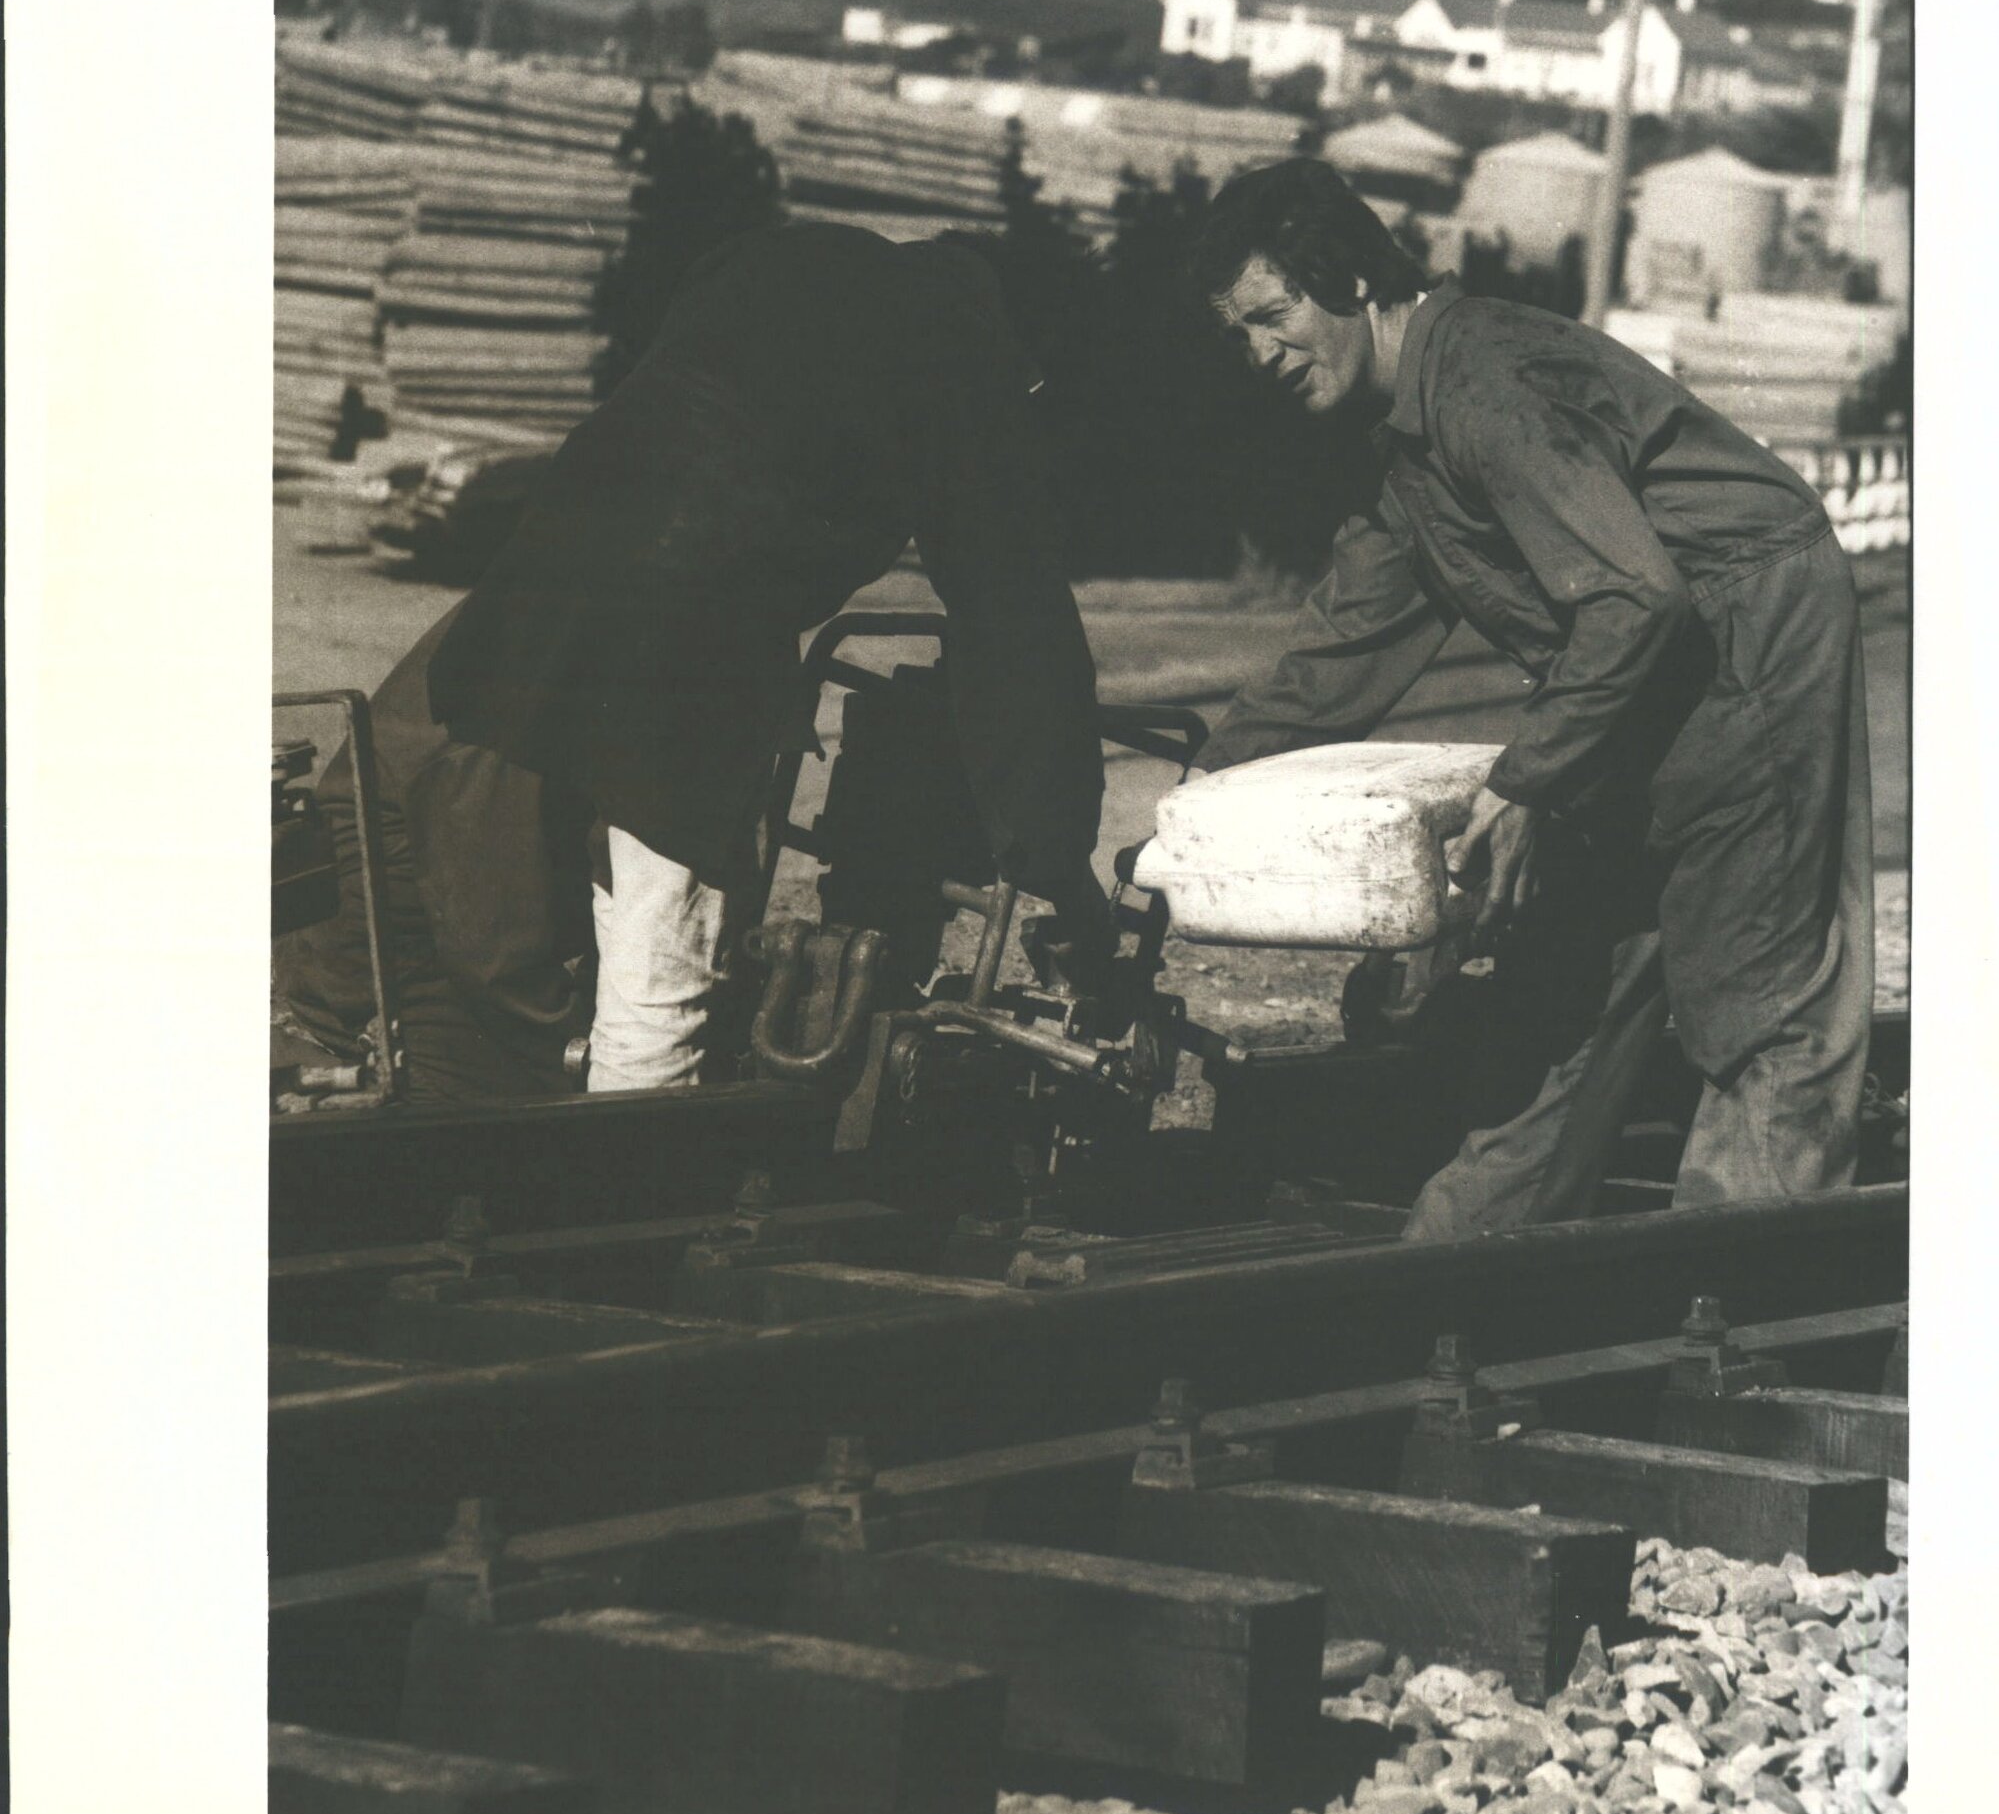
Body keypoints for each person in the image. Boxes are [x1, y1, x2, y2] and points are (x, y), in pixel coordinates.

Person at [1187, 159, 1872, 1239]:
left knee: (1755, 992)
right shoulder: (1401, 444)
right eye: (1239, 333)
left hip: (1747, 635)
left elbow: (1636, 597)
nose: (1260, 353)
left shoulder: (1484, 383)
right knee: (1565, 982)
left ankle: (1741, 1284)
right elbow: (1344, 645)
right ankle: (1466, 1264)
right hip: (1637, 660)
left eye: (1275, 315)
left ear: (1353, 281)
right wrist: (1194, 799)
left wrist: (1527, 784)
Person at [278, 222, 1110, 1104]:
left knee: (441, 821)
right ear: (1031, 341)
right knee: (657, 955)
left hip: (534, 584)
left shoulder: (771, 254)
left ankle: (335, 1057)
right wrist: (1053, 859)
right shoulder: (972, 352)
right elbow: (1015, 614)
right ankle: (641, 1151)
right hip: (697, 648)